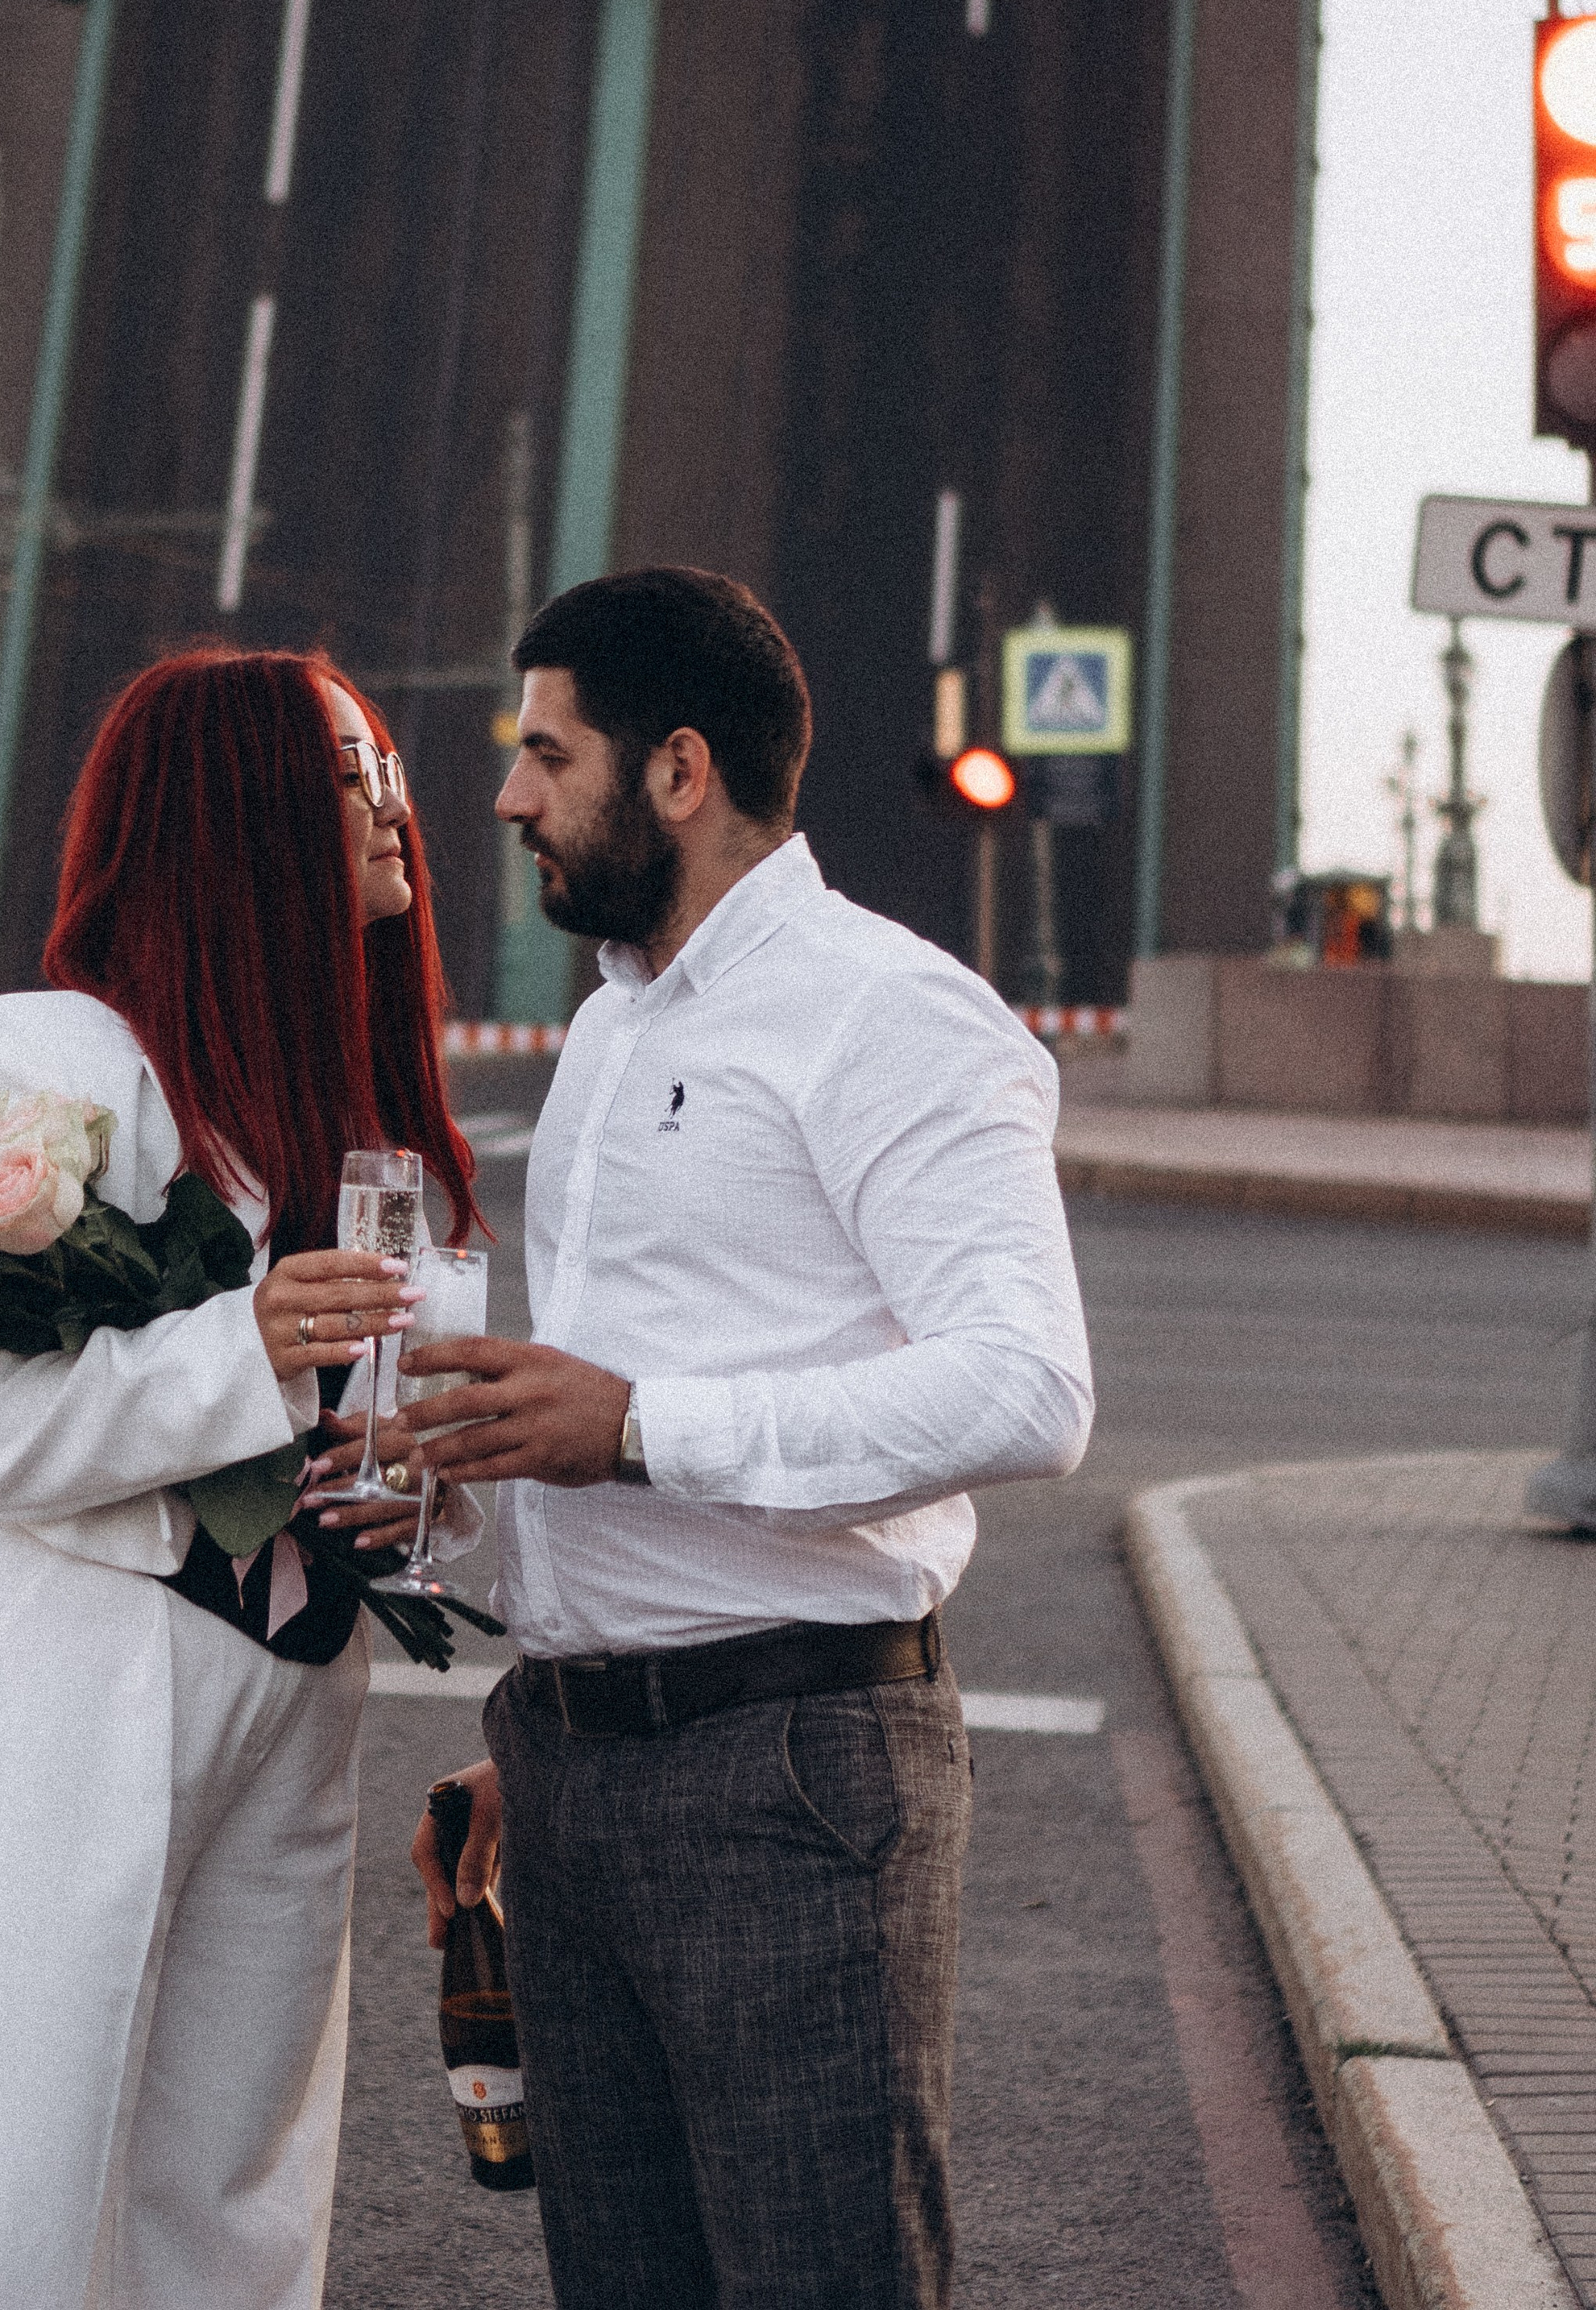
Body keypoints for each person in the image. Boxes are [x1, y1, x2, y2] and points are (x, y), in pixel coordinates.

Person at [409, 567, 1093, 2310]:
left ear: (677, 771)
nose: (504, 797)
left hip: (788, 1778)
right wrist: (556, 1725)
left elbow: (1025, 1387)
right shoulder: (609, 1024)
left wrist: (641, 1432)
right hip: (581, 1775)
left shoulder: (892, 1014)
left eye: (544, 753)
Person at [0, 646, 476, 2310]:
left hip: (301, 1673)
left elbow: (386, 1423)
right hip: (81, 1664)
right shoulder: (64, 1052)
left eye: (379, 763)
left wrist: (419, 1493)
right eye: (340, 773)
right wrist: (245, 1350)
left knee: (236, 2195)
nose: (390, 802)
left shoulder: (355, 1101)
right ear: (229, 810)